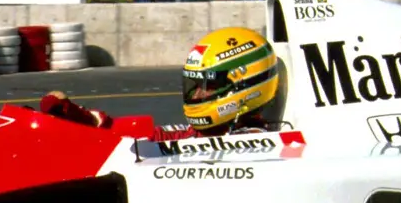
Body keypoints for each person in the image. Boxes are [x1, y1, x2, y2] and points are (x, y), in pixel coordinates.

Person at [39, 26, 281, 142]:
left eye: (209, 85)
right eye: (195, 84)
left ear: (244, 86)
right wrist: (88, 122)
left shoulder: (256, 144)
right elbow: (151, 136)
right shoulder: (205, 133)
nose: (197, 94)